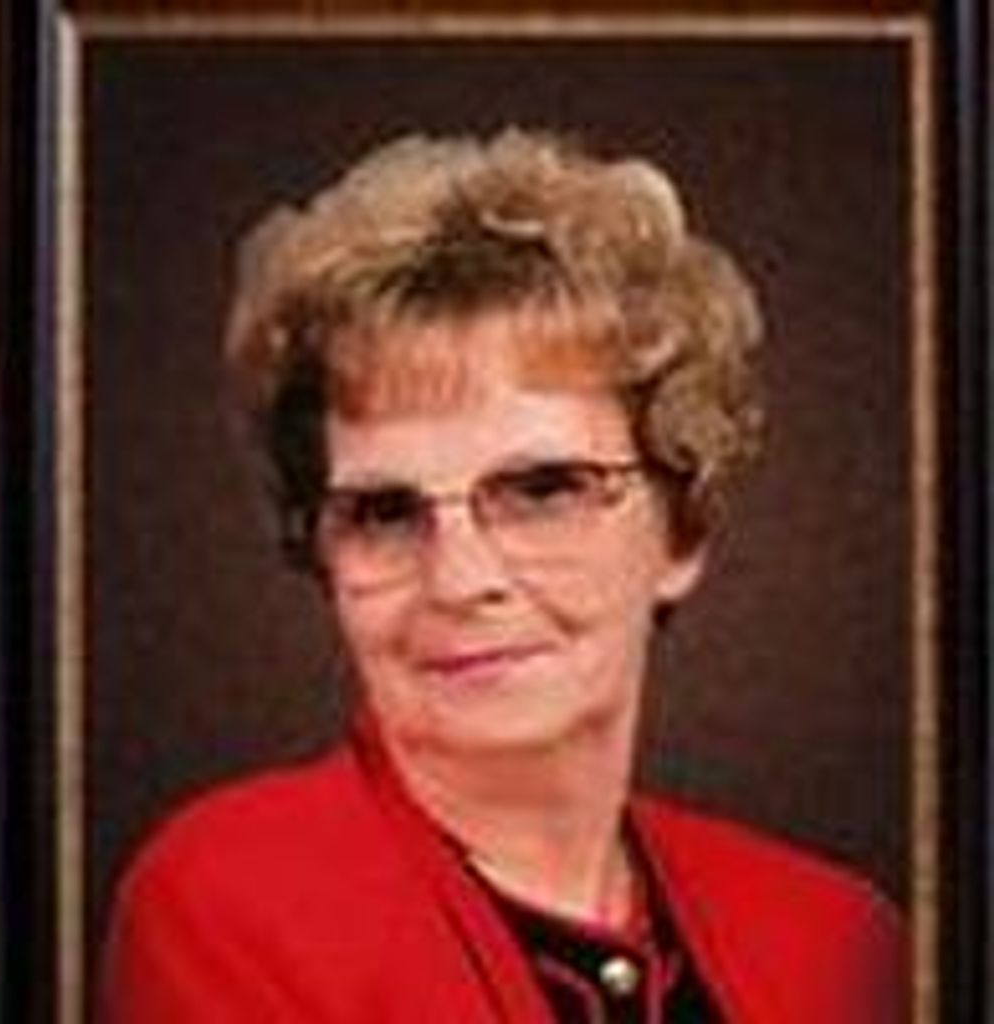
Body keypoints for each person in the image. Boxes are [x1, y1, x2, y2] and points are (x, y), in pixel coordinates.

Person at [101, 128, 906, 1023]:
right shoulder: (232, 899)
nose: (459, 580)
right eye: (384, 512)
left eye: (543, 490)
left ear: (684, 530)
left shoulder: (838, 937)